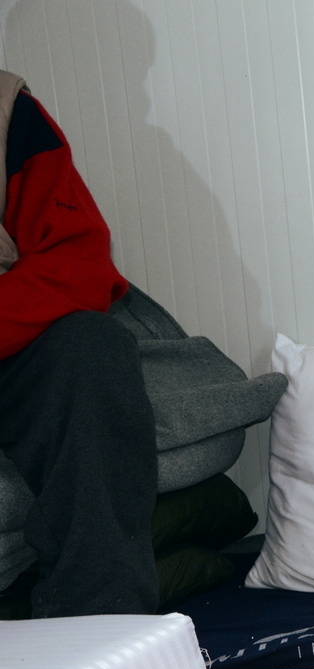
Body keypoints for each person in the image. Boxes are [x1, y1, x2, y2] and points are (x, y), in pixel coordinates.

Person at [0, 70, 158, 618]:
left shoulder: (8, 112)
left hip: (8, 342)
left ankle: (102, 627)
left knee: (92, 347)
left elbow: (79, 263)